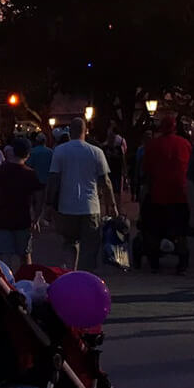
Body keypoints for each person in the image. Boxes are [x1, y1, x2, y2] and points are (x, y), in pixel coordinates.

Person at [47, 116, 118, 272]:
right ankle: (86, 277)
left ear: (69, 132)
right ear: (85, 131)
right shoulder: (96, 152)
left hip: (67, 206)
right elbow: (105, 182)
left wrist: (48, 205)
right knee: (90, 248)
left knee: (69, 242)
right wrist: (111, 205)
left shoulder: (59, 151)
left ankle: (69, 271)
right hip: (90, 207)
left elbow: (54, 180)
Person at [139, 114, 194, 274]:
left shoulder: (153, 146)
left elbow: (146, 171)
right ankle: (182, 263)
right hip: (179, 195)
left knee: (152, 229)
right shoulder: (185, 144)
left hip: (158, 195)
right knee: (180, 230)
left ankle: (154, 260)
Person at [0, 137, 45, 268]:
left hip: (3, 218)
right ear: (28, 154)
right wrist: (36, 218)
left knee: (4, 258)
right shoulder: (30, 174)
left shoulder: (1, 170)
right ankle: (26, 282)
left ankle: (7, 283)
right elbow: (39, 198)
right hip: (23, 220)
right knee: (25, 255)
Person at [101, 122, 129, 201]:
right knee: (114, 189)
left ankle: (115, 207)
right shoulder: (119, 142)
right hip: (112, 169)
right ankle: (114, 207)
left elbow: (123, 158)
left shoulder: (111, 147)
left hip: (115, 169)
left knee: (115, 189)